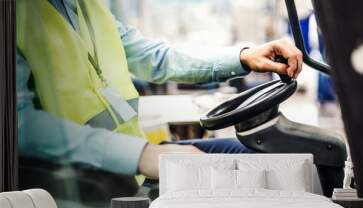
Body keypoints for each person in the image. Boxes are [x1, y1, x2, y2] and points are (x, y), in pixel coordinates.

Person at [16, 0, 303, 180]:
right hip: (84, 178)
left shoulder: (84, 7)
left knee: (260, 156)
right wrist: (143, 156)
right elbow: (19, 126)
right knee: (234, 176)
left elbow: (156, 58)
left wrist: (243, 58)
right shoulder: (15, 15)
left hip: (134, 162)